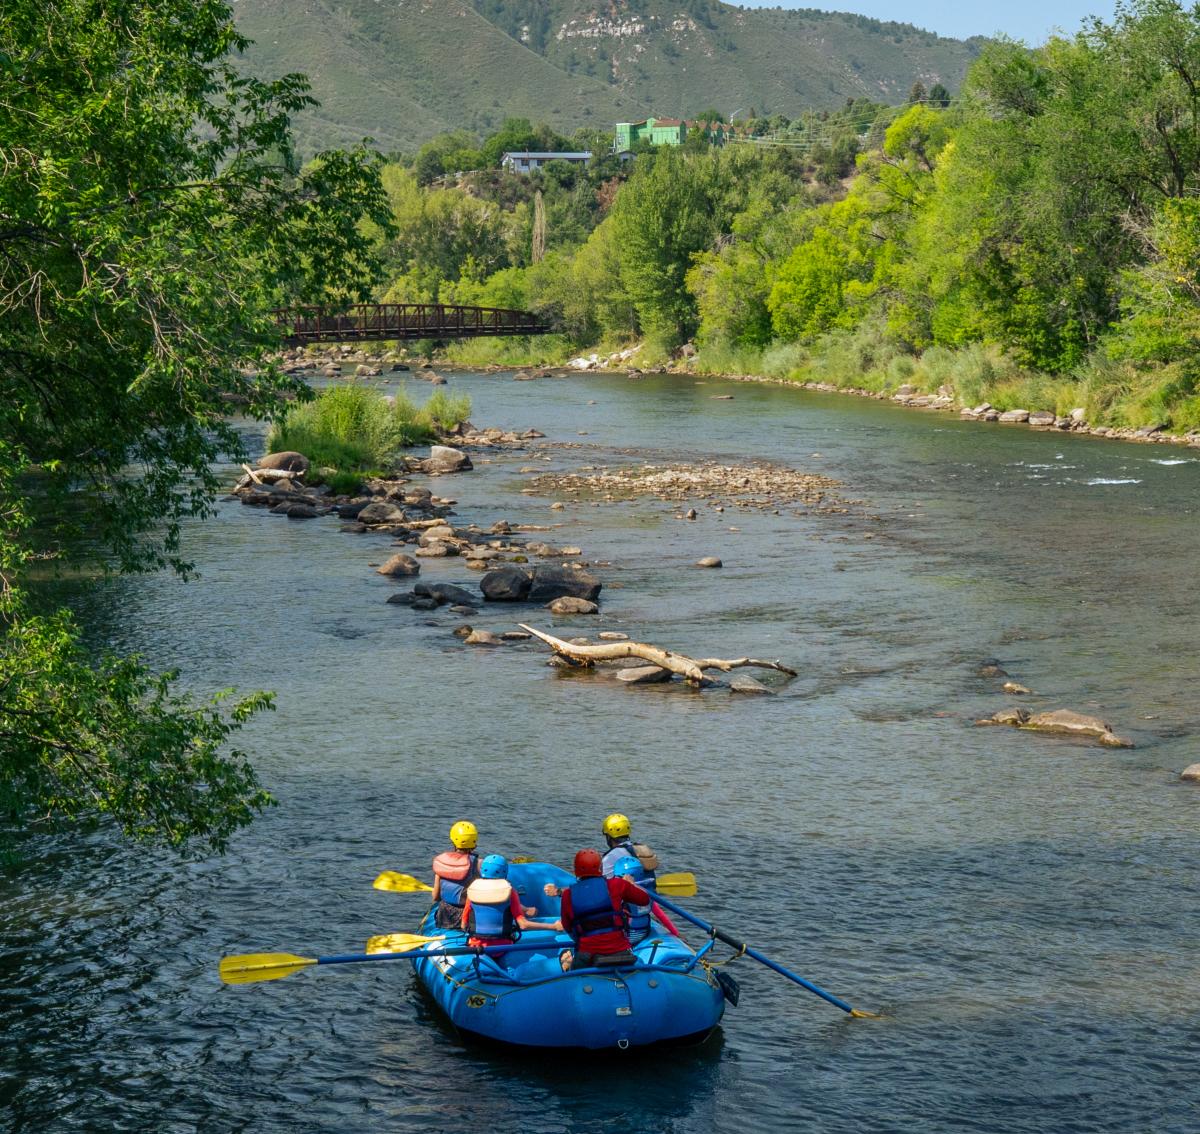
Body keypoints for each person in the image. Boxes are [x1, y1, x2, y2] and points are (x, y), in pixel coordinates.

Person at [558, 848, 650, 971]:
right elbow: (644, 899)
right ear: (600, 868)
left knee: (570, 964)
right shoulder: (618, 884)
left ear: (576, 870)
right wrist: (631, 885)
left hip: (587, 955)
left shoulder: (568, 895)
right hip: (621, 950)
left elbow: (567, 926)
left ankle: (567, 966)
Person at [461, 855, 560, 950]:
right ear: (504, 872)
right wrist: (554, 926)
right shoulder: (510, 892)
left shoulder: (473, 890)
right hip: (502, 947)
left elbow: (463, 925)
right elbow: (523, 925)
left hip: (475, 945)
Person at [611, 855, 680, 943]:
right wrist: (675, 933)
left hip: (627, 936)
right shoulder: (647, 892)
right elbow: (660, 914)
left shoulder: (621, 893)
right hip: (644, 933)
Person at [430, 820, 481, 929]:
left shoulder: (442, 862)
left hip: (444, 915)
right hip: (466, 917)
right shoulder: (479, 864)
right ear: (474, 841)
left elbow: (435, 897)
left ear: (453, 841)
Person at [600, 812, 659, 888]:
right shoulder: (639, 849)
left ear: (609, 836)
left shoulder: (611, 856)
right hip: (649, 895)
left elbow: (601, 883)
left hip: (629, 897)